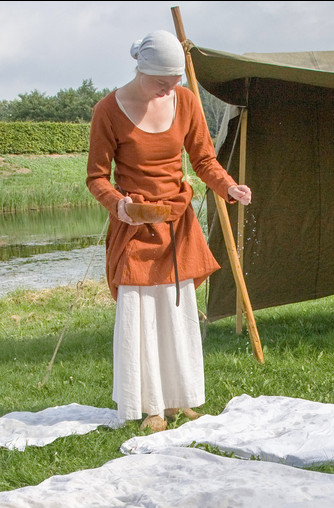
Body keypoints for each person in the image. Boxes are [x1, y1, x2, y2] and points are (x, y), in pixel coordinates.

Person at [86, 30, 252, 433]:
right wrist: (121, 206)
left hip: (177, 223)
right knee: (142, 318)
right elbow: (96, 178)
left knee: (177, 316)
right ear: (141, 70)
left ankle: (179, 401)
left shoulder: (185, 102)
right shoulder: (108, 110)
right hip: (136, 229)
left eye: (176, 79)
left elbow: (203, 159)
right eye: (164, 80)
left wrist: (228, 186)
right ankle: (151, 407)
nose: (171, 87)